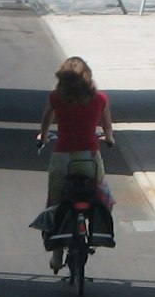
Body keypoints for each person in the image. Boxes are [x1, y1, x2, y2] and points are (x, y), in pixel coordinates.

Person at [35, 56, 115, 271]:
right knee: (102, 196)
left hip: (63, 158)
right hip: (89, 158)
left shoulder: (56, 98)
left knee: (55, 200)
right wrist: (108, 138)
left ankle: (57, 252)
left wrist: (43, 136)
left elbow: (46, 121)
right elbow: (107, 129)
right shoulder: (100, 99)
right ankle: (96, 232)